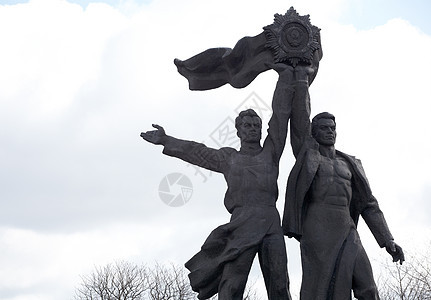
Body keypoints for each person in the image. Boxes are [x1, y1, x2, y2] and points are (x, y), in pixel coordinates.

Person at [140, 65, 301, 300]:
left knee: (279, 287)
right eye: (247, 126)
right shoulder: (229, 158)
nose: (253, 130)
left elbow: (280, 116)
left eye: (256, 126)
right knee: (231, 287)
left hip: (270, 222)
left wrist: (286, 79)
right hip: (241, 223)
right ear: (238, 131)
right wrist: (166, 140)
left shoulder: (271, 152)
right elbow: (197, 152)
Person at [282, 65, 405, 299]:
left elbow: (369, 204)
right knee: (319, 289)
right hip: (316, 226)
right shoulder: (308, 155)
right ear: (313, 132)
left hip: (346, 226)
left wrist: (387, 239)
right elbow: (299, 118)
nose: (329, 132)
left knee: (367, 285)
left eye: (332, 128)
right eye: (323, 128)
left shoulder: (351, 164)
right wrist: (301, 80)